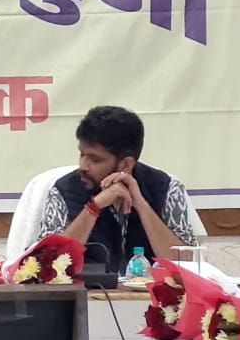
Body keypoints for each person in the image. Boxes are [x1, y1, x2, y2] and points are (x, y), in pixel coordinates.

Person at [35, 106, 196, 271]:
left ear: (126, 164)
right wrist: (94, 207)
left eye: (95, 159)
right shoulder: (61, 191)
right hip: (88, 287)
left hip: (149, 287)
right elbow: (47, 265)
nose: (83, 166)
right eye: (82, 154)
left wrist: (141, 205)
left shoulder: (167, 188)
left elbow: (188, 265)